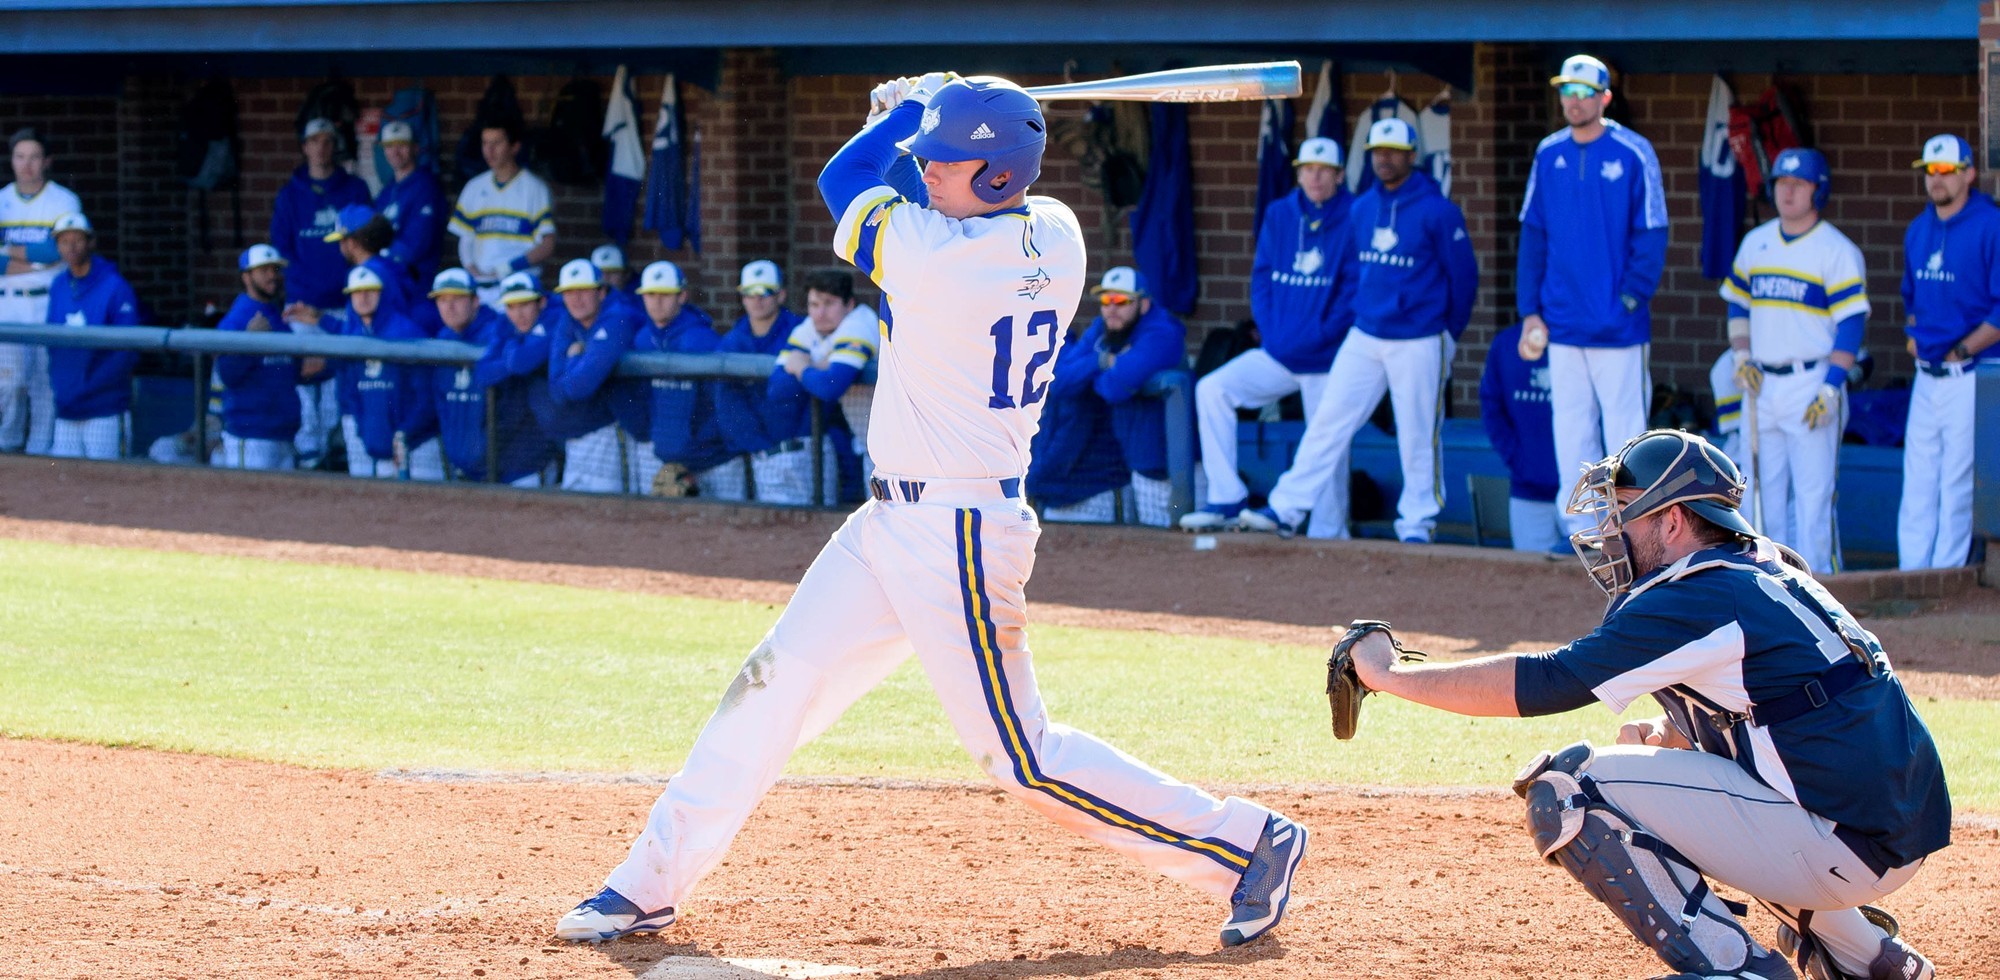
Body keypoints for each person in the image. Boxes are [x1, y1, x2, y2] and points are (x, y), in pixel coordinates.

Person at [557, 72, 1307, 950]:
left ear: (997, 175)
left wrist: (908, 109)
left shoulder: (936, 256)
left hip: (958, 535)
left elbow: (846, 181)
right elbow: (909, 189)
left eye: (946, 162)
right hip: (891, 524)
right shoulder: (1055, 233)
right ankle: (646, 883)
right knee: (773, 684)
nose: (928, 171)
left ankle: (1247, 843)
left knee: (1022, 757)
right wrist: (926, 117)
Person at [1345, 428, 1948, 980]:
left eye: (1625, 512)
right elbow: (1789, 706)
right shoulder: (1760, 567)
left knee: (1571, 788)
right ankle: (1871, 960)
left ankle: (1737, 969)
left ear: (1674, 520)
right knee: (1682, 776)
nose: (1611, 532)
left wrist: (1387, 674)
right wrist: (1675, 730)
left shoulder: (1695, 593)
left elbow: (1549, 681)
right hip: (1882, 823)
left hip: (1843, 838)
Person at [1238, 119, 1476, 543]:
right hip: (1366, 332)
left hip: (1418, 336)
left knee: (1418, 431)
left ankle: (1417, 523)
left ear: (1412, 155)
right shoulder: (1362, 207)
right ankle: (1287, 508)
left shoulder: (1438, 210)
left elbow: (1464, 280)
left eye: (1393, 151)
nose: (1384, 158)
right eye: (1377, 150)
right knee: (1328, 420)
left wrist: (1447, 334)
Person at [1515, 54, 1668, 537]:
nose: (1574, 101)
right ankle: (1581, 532)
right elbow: (1533, 234)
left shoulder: (1634, 151)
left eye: (1584, 92)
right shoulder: (1548, 153)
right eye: (1567, 91)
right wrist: (1530, 311)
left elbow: (1653, 232)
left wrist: (1630, 299)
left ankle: (1632, 533)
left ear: (1605, 97)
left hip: (1617, 326)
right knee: (1571, 427)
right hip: (1561, 321)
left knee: (1626, 434)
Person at [1180, 136, 1353, 536]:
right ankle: (1226, 497)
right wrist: (1273, 332)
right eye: (1308, 169)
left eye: (1324, 170)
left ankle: (1329, 531)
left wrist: (1319, 334)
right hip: (1279, 351)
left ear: (1339, 175)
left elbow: (1353, 292)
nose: (1315, 177)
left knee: (1328, 443)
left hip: (1326, 358)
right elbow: (1261, 278)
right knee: (1213, 389)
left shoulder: (1355, 215)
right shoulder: (1280, 213)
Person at [1721, 148, 1868, 575]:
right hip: (1761, 382)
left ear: (1817, 191)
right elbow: (1738, 304)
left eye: (1798, 184)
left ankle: (1820, 585)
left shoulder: (1836, 249)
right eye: (1782, 183)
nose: (1787, 192)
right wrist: (1741, 355)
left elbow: (1851, 325)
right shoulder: (1757, 242)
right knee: (1760, 494)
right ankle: (1768, 582)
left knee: (1813, 497)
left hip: (1811, 381)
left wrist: (1832, 386)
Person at [1897, 133, 1999, 571]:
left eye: (1945, 170)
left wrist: (1962, 349)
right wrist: (1914, 334)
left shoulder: (1990, 224)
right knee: (1918, 479)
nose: (1936, 179)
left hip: (1969, 374)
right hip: (1926, 374)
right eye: (1929, 171)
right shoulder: (1918, 229)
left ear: (1968, 173)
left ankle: (1944, 576)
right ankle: (1911, 574)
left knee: (1957, 481)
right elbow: (1910, 297)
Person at [1030, 266, 1185, 527]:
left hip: (1174, 463)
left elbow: (1112, 388)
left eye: (1121, 300)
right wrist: (1102, 361)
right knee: (1144, 539)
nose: (1112, 308)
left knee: (1173, 538)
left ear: (1144, 304)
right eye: (1106, 300)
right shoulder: (1103, 329)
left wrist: (1090, 373)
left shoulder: (1163, 332)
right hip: (1138, 458)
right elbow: (1059, 382)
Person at [759, 268, 878, 506]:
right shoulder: (808, 329)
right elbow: (778, 390)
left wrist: (803, 367)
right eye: (814, 304)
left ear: (849, 304)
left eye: (829, 303)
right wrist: (818, 367)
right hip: (872, 444)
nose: (820, 313)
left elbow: (830, 387)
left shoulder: (860, 323)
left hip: (903, 443)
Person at [429, 268, 555, 487]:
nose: (449, 307)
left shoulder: (503, 331)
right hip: (470, 468)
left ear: (475, 301)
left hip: (519, 466)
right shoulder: (442, 339)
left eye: (457, 298)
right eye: (442, 300)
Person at [0, 126, 83, 455]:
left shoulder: (64, 200)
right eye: (20, 157)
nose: (27, 164)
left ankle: (39, 452)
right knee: (9, 382)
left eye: (34, 157)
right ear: (11, 160)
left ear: (47, 161)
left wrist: (8, 252)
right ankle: (7, 446)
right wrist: (36, 262)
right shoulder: (2, 199)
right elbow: (43, 256)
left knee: (45, 385)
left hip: (47, 302)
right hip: (7, 304)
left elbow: (58, 251)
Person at [213, 244, 328, 470]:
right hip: (250, 436)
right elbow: (226, 375)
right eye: (263, 270)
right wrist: (249, 341)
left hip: (284, 434)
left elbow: (293, 371)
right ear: (246, 277)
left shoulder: (276, 316)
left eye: (275, 269)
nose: (272, 276)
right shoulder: (236, 319)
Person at [704, 259, 806, 502]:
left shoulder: (802, 331)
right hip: (760, 454)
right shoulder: (732, 342)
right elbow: (726, 403)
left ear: (781, 295)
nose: (757, 300)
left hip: (803, 447)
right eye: (750, 293)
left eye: (765, 292)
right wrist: (758, 444)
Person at [43, 212, 142, 460]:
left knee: (108, 479)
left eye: (77, 239)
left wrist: (90, 387)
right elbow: (52, 344)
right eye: (64, 241)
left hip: (104, 409)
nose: (71, 247)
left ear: (91, 242)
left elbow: (128, 349)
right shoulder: (58, 285)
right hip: (67, 408)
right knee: (64, 478)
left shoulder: (115, 286)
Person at [330, 264, 441, 480]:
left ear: (382, 293)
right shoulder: (352, 337)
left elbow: (426, 395)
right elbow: (352, 395)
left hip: (418, 447)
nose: (363, 298)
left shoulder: (407, 332)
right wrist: (368, 433)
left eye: (370, 291)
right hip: (381, 450)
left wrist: (406, 432)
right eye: (357, 293)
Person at [545, 258, 642, 493]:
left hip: (621, 429)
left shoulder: (619, 317)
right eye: (569, 292)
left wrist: (573, 359)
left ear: (601, 292)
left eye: (584, 291)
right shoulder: (568, 320)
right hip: (583, 432)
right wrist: (577, 362)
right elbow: (557, 390)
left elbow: (579, 387)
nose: (576, 299)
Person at [631, 260, 727, 497]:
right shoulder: (642, 339)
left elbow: (722, 403)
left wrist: (697, 446)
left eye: (665, 294)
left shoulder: (702, 339)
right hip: (666, 457)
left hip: (713, 462)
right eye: (650, 294)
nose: (657, 301)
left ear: (682, 296)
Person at [450, 121, 556, 310]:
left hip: (520, 291)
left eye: (497, 143)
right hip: (481, 290)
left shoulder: (535, 188)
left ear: (515, 147)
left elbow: (547, 245)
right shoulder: (474, 187)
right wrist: (471, 268)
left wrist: (507, 268)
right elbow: (466, 238)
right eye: (485, 143)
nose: (489, 150)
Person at [1479, 322, 1565, 553]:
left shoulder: (1581, 339)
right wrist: (1518, 460)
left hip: (1585, 495)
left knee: (1596, 573)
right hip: (1528, 492)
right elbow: (1491, 408)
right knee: (1530, 570)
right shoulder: (1506, 344)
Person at [272, 118, 371, 315]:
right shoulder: (288, 196)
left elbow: (368, 241)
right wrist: (310, 282)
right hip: (303, 302)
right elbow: (281, 248)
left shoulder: (356, 189)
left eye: (327, 141)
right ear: (305, 147)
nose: (321, 148)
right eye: (314, 141)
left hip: (349, 299)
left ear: (335, 146)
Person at [372, 120, 447, 290]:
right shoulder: (387, 191)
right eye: (389, 146)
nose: (395, 151)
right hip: (390, 281)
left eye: (402, 145)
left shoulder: (426, 186)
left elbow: (417, 244)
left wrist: (378, 258)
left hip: (416, 284)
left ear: (415, 148)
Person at [326, 205, 419, 321]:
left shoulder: (363, 275)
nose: (340, 247)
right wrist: (321, 318)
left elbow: (362, 327)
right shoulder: (389, 265)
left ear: (351, 242)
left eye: (341, 240)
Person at [590, 243, 643, 319]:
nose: (605, 277)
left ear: (626, 274)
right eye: (600, 273)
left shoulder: (639, 301)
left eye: (612, 272)